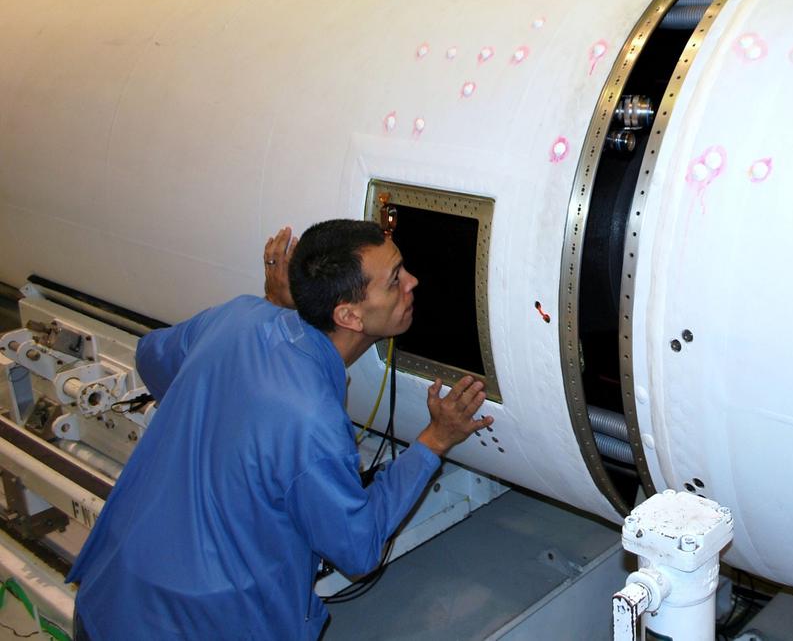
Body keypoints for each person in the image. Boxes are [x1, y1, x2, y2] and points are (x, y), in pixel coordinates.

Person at [66, 220, 493, 640]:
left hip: (111, 592)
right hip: (200, 623)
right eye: (394, 280)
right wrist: (434, 440)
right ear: (348, 315)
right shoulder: (314, 421)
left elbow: (150, 356)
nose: (413, 282)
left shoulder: (238, 315)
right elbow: (358, 548)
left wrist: (209, 410)